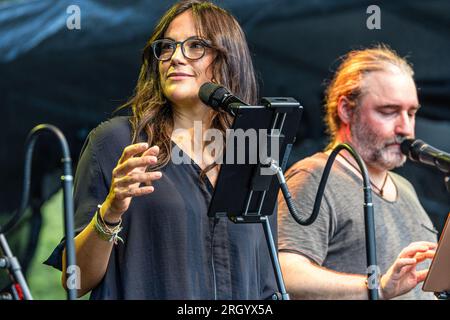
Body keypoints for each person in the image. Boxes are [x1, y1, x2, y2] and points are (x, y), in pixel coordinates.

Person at [45, 0, 277, 299]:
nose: (175, 57)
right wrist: (111, 211)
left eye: (195, 46)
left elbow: (267, 284)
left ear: (227, 58)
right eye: (167, 47)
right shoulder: (117, 141)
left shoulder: (252, 150)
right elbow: (74, 281)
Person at [277, 45, 438, 300]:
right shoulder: (313, 176)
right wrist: (376, 287)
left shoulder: (405, 188)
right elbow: (286, 274)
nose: (405, 128)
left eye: (411, 113)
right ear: (346, 110)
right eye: (389, 111)